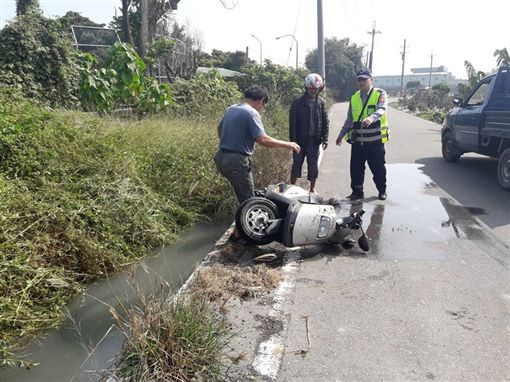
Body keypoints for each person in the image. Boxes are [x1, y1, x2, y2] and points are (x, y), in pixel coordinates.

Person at [214, 84, 300, 238]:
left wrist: (231, 142)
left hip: (221, 158)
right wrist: (288, 144)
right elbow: (263, 139)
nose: (262, 108)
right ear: (260, 100)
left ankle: (238, 231)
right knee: (249, 201)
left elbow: (219, 129)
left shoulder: (231, 109)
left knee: (243, 195)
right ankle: (243, 237)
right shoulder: (251, 112)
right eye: (263, 105)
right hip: (236, 161)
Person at [335, 68, 389, 201]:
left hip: (375, 142)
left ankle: (382, 190)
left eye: (364, 79)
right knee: (356, 169)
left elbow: (382, 108)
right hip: (358, 141)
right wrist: (341, 135)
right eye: (359, 79)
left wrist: (371, 118)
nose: (361, 82)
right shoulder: (354, 98)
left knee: (378, 169)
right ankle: (357, 192)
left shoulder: (380, 93)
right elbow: (349, 119)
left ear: (370, 79)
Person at [289, 73, 329, 193]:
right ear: (306, 87)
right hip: (300, 140)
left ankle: (312, 189)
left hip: (314, 140)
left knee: (313, 165)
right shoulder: (297, 103)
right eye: (311, 88)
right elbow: (292, 123)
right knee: (296, 164)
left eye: (315, 89)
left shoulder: (321, 103)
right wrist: (293, 141)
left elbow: (325, 121)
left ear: (319, 89)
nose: (313, 91)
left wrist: (325, 138)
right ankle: (292, 187)